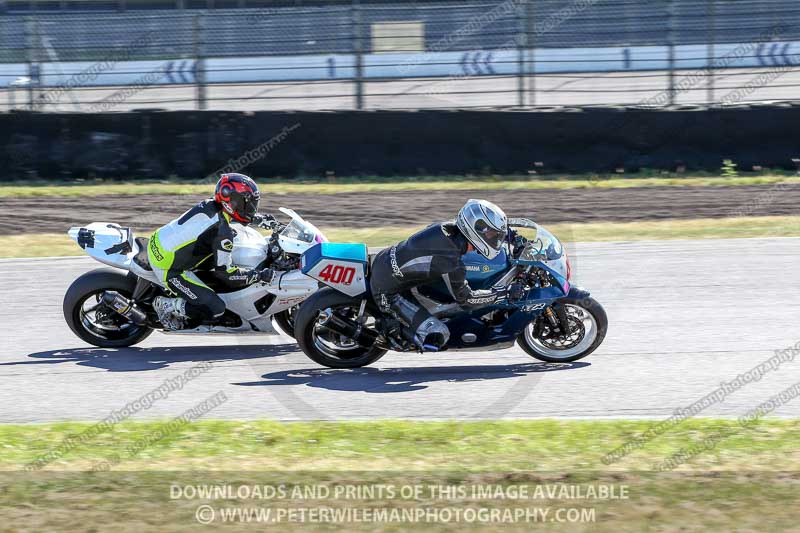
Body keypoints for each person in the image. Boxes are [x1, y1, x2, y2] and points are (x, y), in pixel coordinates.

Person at [369, 199, 510, 351]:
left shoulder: (447, 227)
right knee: (439, 334)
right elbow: (467, 300)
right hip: (389, 292)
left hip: (384, 259)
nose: (495, 238)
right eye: (492, 234)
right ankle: (392, 331)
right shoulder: (449, 260)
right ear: (477, 230)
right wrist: (500, 294)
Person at [148, 173, 276, 330]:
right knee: (215, 309)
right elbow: (227, 275)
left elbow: (231, 217)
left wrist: (259, 219)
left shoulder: (210, 204)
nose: (250, 208)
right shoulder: (222, 233)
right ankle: (167, 305)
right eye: (245, 203)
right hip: (169, 268)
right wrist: (258, 275)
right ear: (230, 201)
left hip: (159, 241)